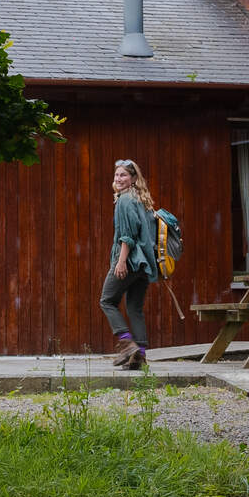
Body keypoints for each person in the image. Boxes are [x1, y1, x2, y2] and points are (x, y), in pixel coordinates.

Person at [101, 158, 159, 369]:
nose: (119, 178)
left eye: (124, 175)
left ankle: (127, 345)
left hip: (131, 261)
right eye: (117, 175)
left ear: (134, 179)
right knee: (134, 307)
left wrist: (121, 261)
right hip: (145, 264)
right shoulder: (140, 199)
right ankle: (139, 357)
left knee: (107, 300)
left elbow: (128, 236)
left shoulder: (125, 200)